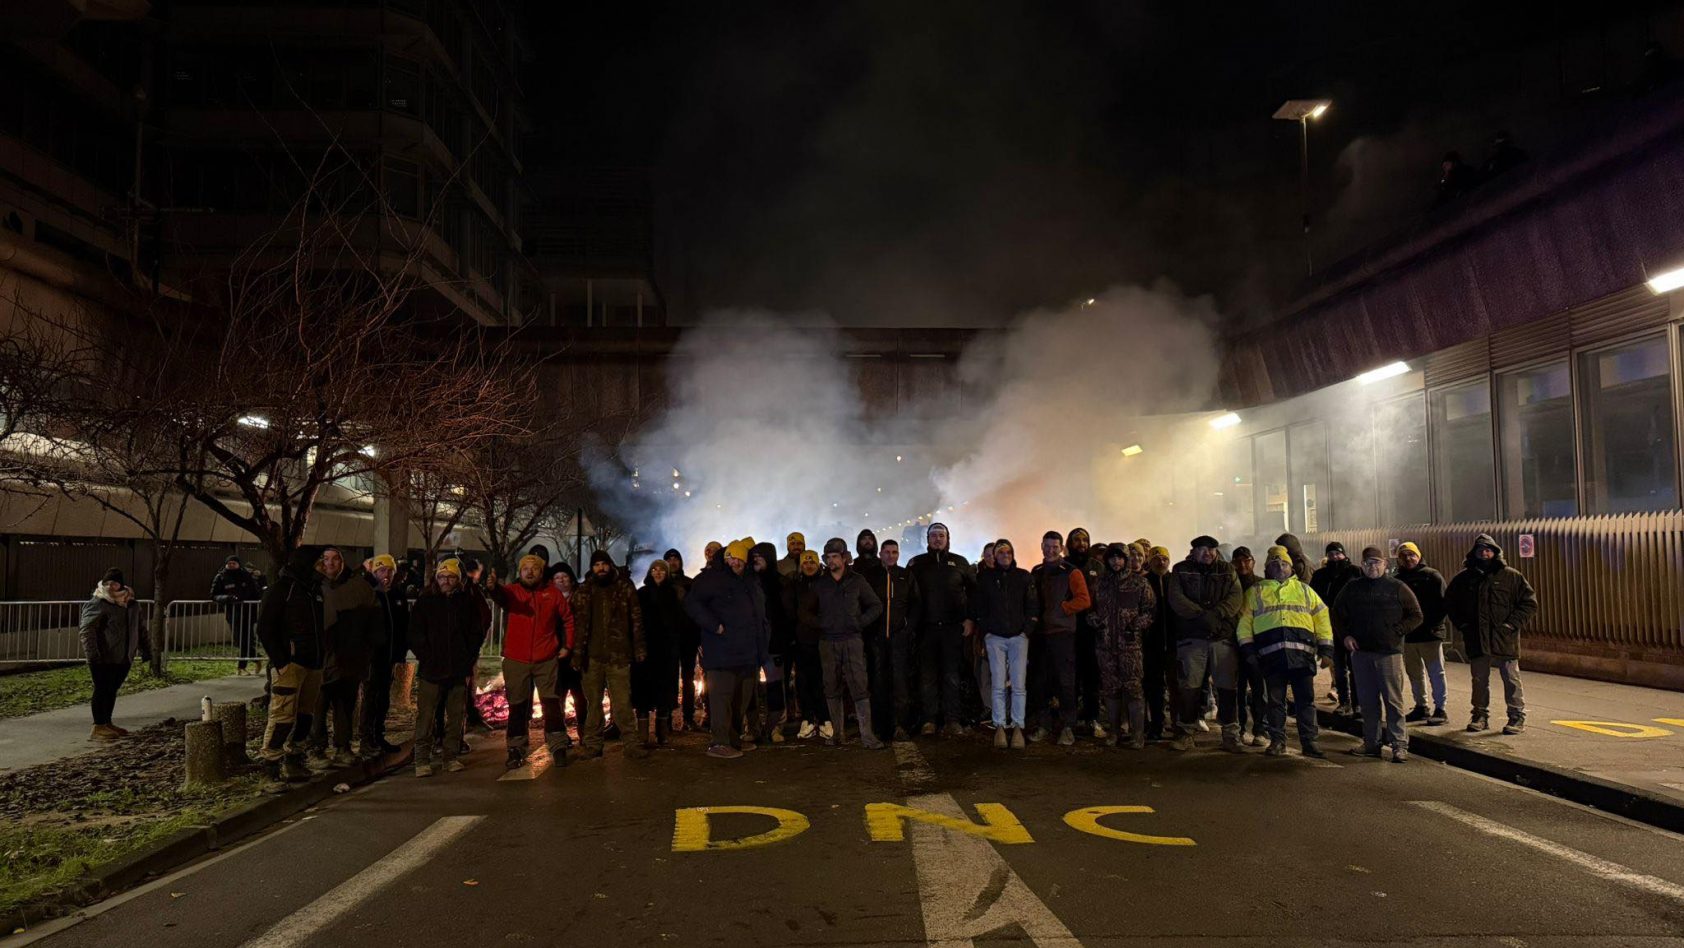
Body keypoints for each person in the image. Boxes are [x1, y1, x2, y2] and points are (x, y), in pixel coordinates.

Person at [1237, 546, 1334, 758]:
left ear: (1290, 567)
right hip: (1271, 657)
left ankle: (1309, 742)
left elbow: (1322, 619)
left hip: (1301, 657)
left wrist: (1326, 649)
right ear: (1267, 568)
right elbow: (1245, 623)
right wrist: (1248, 650)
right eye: (1274, 564)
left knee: (1305, 702)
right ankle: (1277, 741)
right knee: (1275, 702)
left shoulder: (1305, 591)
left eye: (1283, 563)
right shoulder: (1256, 591)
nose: (1279, 567)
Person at [1332, 547, 1423, 763]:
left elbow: (1416, 615)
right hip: (1361, 653)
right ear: (1362, 566)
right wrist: (1345, 636)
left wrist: (1397, 631)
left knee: (1393, 701)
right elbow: (1336, 613)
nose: (1372, 567)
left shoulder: (1397, 587)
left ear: (1384, 564)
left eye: (1376, 562)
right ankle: (1371, 743)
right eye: (1368, 563)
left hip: (1388, 654)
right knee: (1368, 702)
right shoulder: (1353, 588)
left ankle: (1399, 745)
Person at [686, 538, 771, 758]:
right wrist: (716, 626)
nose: (734, 562)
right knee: (722, 698)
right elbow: (692, 604)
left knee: (740, 700)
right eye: (730, 558)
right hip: (722, 652)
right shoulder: (711, 579)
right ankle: (719, 742)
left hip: (748, 652)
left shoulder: (751, 582)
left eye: (738, 558)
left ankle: (733, 739)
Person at [488, 553, 574, 769]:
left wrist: (567, 646)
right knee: (517, 706)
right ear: (520, 571)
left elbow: (568, 620)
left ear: (541, 571)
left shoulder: (552, 594)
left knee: (552, 704)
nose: (529, 571)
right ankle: (515, 748)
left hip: (546, 659)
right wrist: (491, 586)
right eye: (525, 568)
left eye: (534, 568)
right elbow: (500, 596)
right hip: (516, 659)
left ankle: (558, 745)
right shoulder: (512, 592)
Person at [1446, 534, 1538, 734]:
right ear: (1474, 553)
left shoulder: (1511, 576)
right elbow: (1451, 604)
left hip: (1504, 638)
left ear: (1495, 552)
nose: (1484, 553)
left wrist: (1511, 625)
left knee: (1511, 678)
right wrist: (1463, 625)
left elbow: (1529, 603)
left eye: (1488, 550)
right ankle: (1479, 716)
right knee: (1479, 679)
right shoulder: (1464, 578)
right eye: (1481, 550)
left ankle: (1516, 716)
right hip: (1477, 637)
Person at [409, 559, 487, 776]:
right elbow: (415, 634)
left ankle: (450, 756)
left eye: (451, 577)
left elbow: (476, 633)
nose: (446, 581)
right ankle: (422, 759)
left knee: (455, 715)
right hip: (432, 669)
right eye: (442, 577)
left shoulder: (465, 602)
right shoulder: (426, 602)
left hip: (457, 668)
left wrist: (468, 657)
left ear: (458, 579)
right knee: (426, 716)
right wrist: (426, 655)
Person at [1166, 535, 1244, 752]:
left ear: (1216, 551)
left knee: (1227, 688)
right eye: (1201, 549)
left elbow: (1235, 598)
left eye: (1210, 549)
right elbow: (1177, 599)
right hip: (1192, 638)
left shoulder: (1227, 570)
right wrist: (1202, 616)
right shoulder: (1181, 570)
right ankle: (1186, 733)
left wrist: (1216, 614)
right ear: (1193, 552)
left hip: (1221, 638)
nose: (1207, 553)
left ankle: (1230, 735)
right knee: (1189, 688)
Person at [256, 547, 328, 781]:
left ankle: (294, 759)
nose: (323, 566)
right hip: (291, 665)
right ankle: (271, 768)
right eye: (320, 562)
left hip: (313, 663)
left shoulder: (314, 590)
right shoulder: (282, 590)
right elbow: (265, 628)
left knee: (305, 716)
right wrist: (281, 661)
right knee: (282, 717)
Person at [571, 550, 649, 760]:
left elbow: (636, 619)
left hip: (619, 656)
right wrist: (576, 654)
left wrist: (639, 648)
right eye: (596, 565)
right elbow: (575, 623)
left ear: (610, 565)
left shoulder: (624, 587)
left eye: (604, 564)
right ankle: (593, 745)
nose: (601, 568)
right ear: (592, 568)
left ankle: (631, 744)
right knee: (593, 704)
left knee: (622, 703)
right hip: (591, 657)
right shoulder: (585, 590)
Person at [813, 537, 885, 749]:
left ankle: (867, 736)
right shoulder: (820, 584)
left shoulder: (857, 581)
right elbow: (804, 611)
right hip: (828, 642)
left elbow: (876, 605)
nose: (832, 561)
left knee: (859, 687)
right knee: (831, 687)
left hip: (852, 641)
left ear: (844, 558)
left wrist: (858, 623)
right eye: (828, 557)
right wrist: (822, 623)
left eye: (835, 556)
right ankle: (837, 734)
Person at [907, 522, 975, 736]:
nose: (937, 539)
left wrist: (970, 619)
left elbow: (975, 594)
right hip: (926, 629)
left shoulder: (961, 563)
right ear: (927, 539)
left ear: (948, 538)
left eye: (941, 535)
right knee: (927, 676)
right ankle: (929, 720)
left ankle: (952, 720)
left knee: (951, 676)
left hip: (952, 629)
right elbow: (908, 596)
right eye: (934, 535)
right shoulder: (916, 564)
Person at [311, 546, 377, 766]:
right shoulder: (314, 587)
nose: (329, 563)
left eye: (334, 559)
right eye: (325, 559)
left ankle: (343, 746)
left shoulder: (357, 587)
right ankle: (316, 748)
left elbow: (371, 621)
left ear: (342, 562)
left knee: (345, 705)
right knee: (318, 705)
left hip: (350, 656)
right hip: (322, 657)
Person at [971, 539, 1037, 749]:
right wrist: (987, 629)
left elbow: (1032, 605)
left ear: (1012, 553)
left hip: (1018, 637)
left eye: (1008, 552)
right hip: (995, 637)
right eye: (1000, 552)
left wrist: (1027, 631)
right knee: (998, 684)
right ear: (994, 556)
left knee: (1019, 685)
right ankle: (999, 726)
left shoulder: (1023, 577)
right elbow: (979, 607)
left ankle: (1018, 727)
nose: (1004, 556)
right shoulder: (985, 578)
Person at [1028, 531, 1091, 746]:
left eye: (1055, 546)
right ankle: (1044, 725)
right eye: (1047, 546)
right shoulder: (1035, 572)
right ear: (1042, 547)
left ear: (1061, 548)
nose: (1051, 550)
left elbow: (1084, 599)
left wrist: (1064, 608)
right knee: (1040, 682)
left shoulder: (1071, 572)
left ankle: (1067, 727)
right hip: (1040, 635)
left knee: (1066, 682)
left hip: (1062, 634)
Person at [1093, 543, 1156, 750]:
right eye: (1112, 558)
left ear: (1127, 559)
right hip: (1105, 645)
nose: (1116, 561)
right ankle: (1114, 732)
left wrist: (1134, 625)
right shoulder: (1099, 584)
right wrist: (1094, 620)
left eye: (1120, 558)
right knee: (1110, 690)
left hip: (1130, 646)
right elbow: (1090, 610)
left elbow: (1150, 611)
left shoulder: (1140, 583)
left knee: (1134, 689)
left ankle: (1138, 735)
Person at [79, 568, 151, 741]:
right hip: (103, 657)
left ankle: (107, 723)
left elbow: (139, 628)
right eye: (107, 583)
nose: (110, 586)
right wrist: (93, 655)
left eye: (114, 583)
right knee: (102, 689)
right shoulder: (98, 602)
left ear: (121, 585)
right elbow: (87, 630)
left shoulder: (131, 604)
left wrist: (146, 648)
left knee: (112, 690)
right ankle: (98, 726)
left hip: (123, 656)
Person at [871, 538, 922, 741]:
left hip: (899, 637)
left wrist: (908, 628)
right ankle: (881, 726)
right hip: (877, 638)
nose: (891, 555)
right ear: (881, 554)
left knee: (900, 682)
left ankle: (901, 724)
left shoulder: (906, 575)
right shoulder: (871, 576)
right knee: (879, 682)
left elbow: (916, 604)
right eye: (887, 552)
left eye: (894, 552)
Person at [1395, 542, 1450, 726]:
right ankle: (1421, 706)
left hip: (1430, 635)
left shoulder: (1431, 576)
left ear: (1418, 556)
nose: (1408, 559)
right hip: (1409, 636)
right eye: (1404, 556)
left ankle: (1441, 708)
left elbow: (1444, 604)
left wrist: (1434, 626)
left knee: (1436, 672)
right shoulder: (1397, 580)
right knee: (1414, 673)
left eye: (1411, 554)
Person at [360, 554, 409, 756]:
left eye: (389, 570)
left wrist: (401, 653)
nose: (386, 574)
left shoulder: (397, 595)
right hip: (373, 656)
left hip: (390, 656)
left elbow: (404, 626)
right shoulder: (370, 594)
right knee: (370, 697)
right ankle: (366, 739)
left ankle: (379, 736)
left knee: (383, 698)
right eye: (381, 570)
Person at [635, 559, 685, 747]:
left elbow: (678, 621)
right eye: (654, 569)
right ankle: (642, 736)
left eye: (661, 570)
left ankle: (662, 734)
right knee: (643, 693)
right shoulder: (642, 594)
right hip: (645, 651)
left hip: (666, 651)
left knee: (664, 694)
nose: (657, 573)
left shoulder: (673, 594)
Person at [1311, 542, 1363, 715]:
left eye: (1337, 554)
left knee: (1355, 667)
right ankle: (1344, 701)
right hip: (1330, 628)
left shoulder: (1355, 572)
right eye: (1331, 554)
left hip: (1352, 627)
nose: (1334, 557)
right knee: (1339, 668)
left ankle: (1358, 703)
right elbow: (1313, 599)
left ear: (1344, 555)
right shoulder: (1320, 576)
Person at [750, 542, 793, 743]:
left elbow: (787, 615)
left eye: (760, 556)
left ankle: (775, 727)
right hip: (751, 644)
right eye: (754, 556)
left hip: (774, 644)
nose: (756, 559)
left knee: (775, 688)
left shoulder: (780, 584)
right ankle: (752, 727)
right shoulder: (747, 582)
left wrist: (785, 639)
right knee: (749, 690)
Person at [1065, 528, 1106, 735]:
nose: (1081, 543)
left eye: (1084, 540)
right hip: (1068, 628)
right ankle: (1070, 720)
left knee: (1092, 676)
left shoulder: (1098, 567)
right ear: (1069, 543)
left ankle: (1092, 718)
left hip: (1092, 630)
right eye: (1077, 540)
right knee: (1070, 676)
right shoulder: (1063, 567)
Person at [788, 549, 830, 739]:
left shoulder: (826, 584)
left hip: (823, 639)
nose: (809, 565)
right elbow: (790, 611)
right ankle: (807, 719)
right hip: (802, 640)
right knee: (803, 681)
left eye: (812, 562)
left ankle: (824, 719)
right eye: (805, 562)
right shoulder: (795, 585)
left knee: (822, 680)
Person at [1230, 546, 1266, 746]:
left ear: (1253, 561)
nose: (1243, 565)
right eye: (1238, 561)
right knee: (1236, 690)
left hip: (1257, 645)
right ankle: (1240, 728)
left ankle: (1261, 729)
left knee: (1260, 689)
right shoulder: (1228, 585)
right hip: (1233, 645)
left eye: (1246, 560)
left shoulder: (1262, 585)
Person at [550, 564, 588, 744]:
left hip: (578, 653)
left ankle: (584, 730)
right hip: (556, 654)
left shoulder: (581, 597)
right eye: (557, 577)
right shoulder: (549, 598)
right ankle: (561, 732)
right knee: (559, 695)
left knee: (580, 694)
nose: (561, 580)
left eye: (564, 576)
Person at [664, 548, 701, 731]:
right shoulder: (660, 585)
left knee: (688, 679)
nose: (673, 562)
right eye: (669, 559)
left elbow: (696, 611)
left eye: (676, 559)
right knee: (669, 679)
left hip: (688, 637)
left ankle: (688, 717)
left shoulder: (690, 584)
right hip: (669, 639)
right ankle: (667, 719)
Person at [1142, 545, 1174, 742]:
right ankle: (1157, 725)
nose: (1160, 562)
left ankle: (1180, 725)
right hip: (1150, 643)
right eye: (1156, 559)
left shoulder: (1175, 581)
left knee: (1176, 686)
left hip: (1173, 641)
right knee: (1153, 686)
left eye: (1164, 559)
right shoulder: (1144, 583)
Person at [210, 555, 262, 674]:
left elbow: (256, 593)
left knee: (247, 639)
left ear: (238, 564)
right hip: (233, 613)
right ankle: (255, 658)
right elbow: (213, 595)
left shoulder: (246, 576)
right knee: (240, 640)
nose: (232, 565)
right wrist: (227, 598)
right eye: (230, 563)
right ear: (226, 564)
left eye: (234, 563)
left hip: (248, 612)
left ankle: (242, 666)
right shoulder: (221, 577)